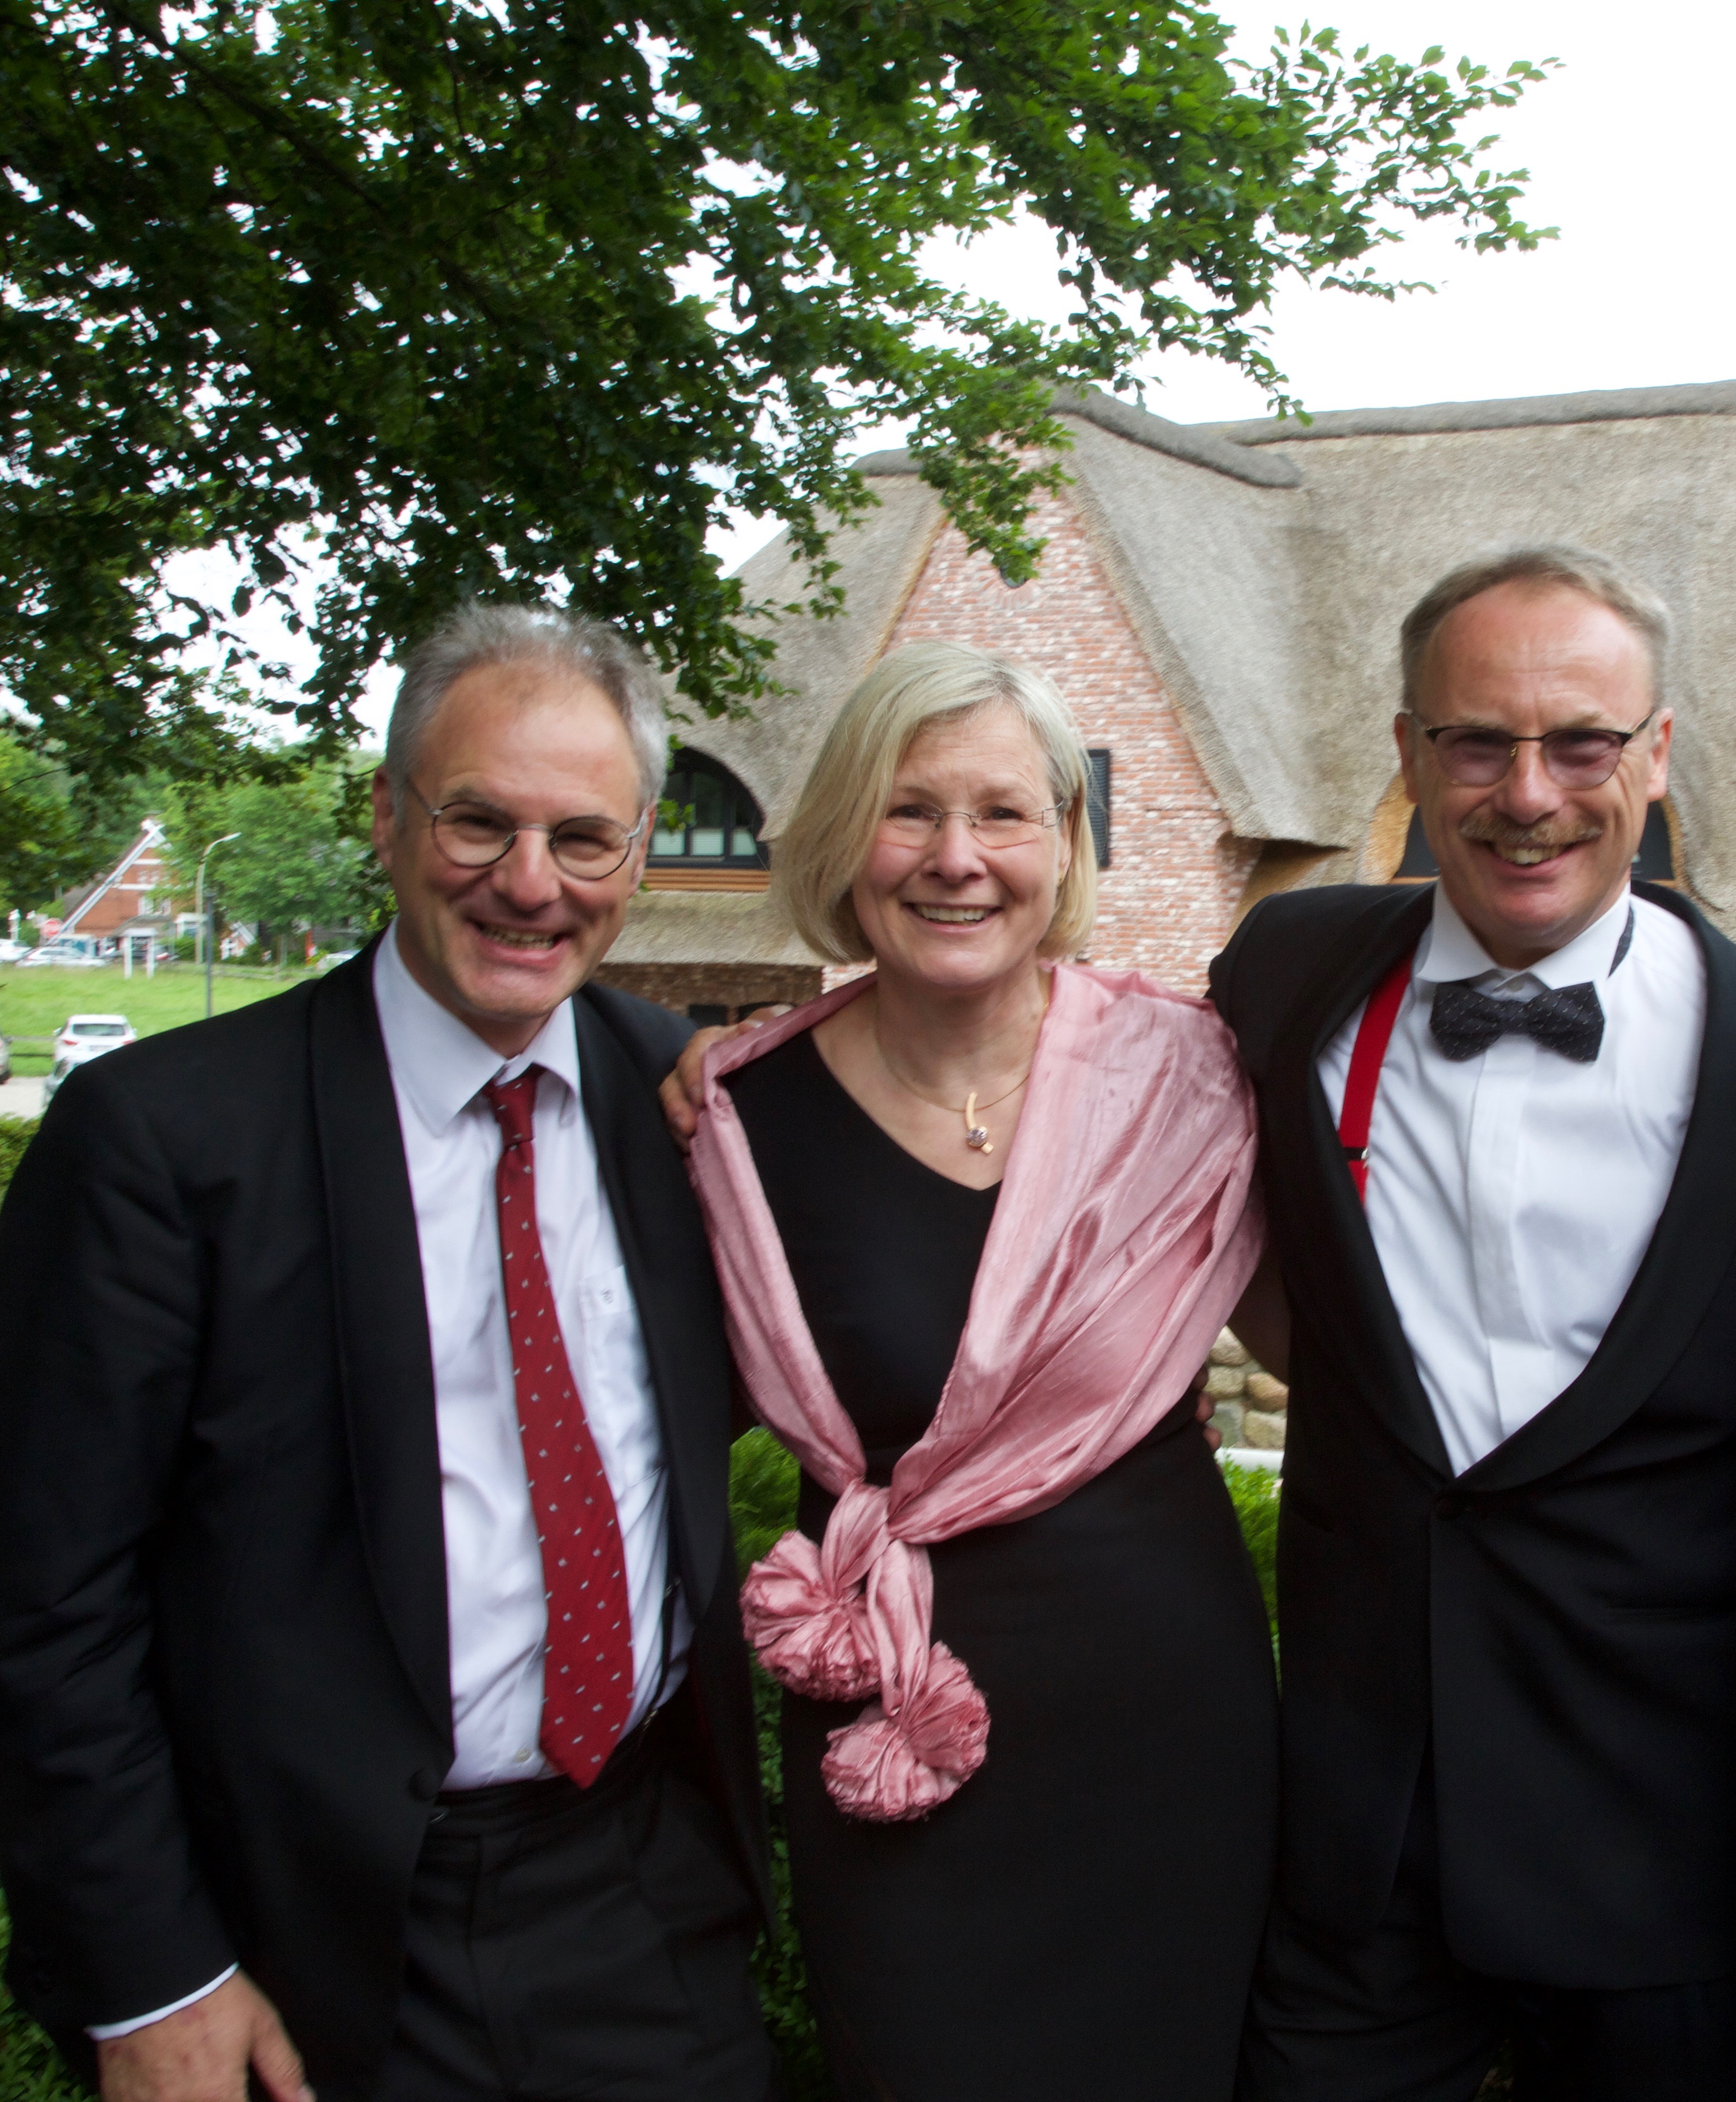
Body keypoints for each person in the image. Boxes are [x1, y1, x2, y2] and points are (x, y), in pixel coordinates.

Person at [0, 607, 776, 2102]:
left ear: (639, 853)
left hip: (643, 1891)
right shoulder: (162, 1141)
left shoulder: (690, 1104)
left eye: (582, 839)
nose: (529, 883)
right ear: (389, 816)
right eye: (479, 821)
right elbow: (46, 1600)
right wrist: (151, 1976)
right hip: (312, 1935)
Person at [1209, 546, 1736, 2101]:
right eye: (1478, 742)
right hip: (1359, 1840)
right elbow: (1083, 1105)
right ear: (1408, 752)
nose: (1530, 795)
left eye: (1584, 743)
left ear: (1657, 755)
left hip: (1664, 1841)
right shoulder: (1281, 978)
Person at [682, 639, 1275, 2099]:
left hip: (1167, 1743)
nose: (957, 858)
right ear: (845, 836)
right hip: (898, 1735)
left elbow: (1353, 1357)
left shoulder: (1194, 1076)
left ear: (1064, 840)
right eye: (910, 810)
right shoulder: (732, 1119)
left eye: (1004, 812)